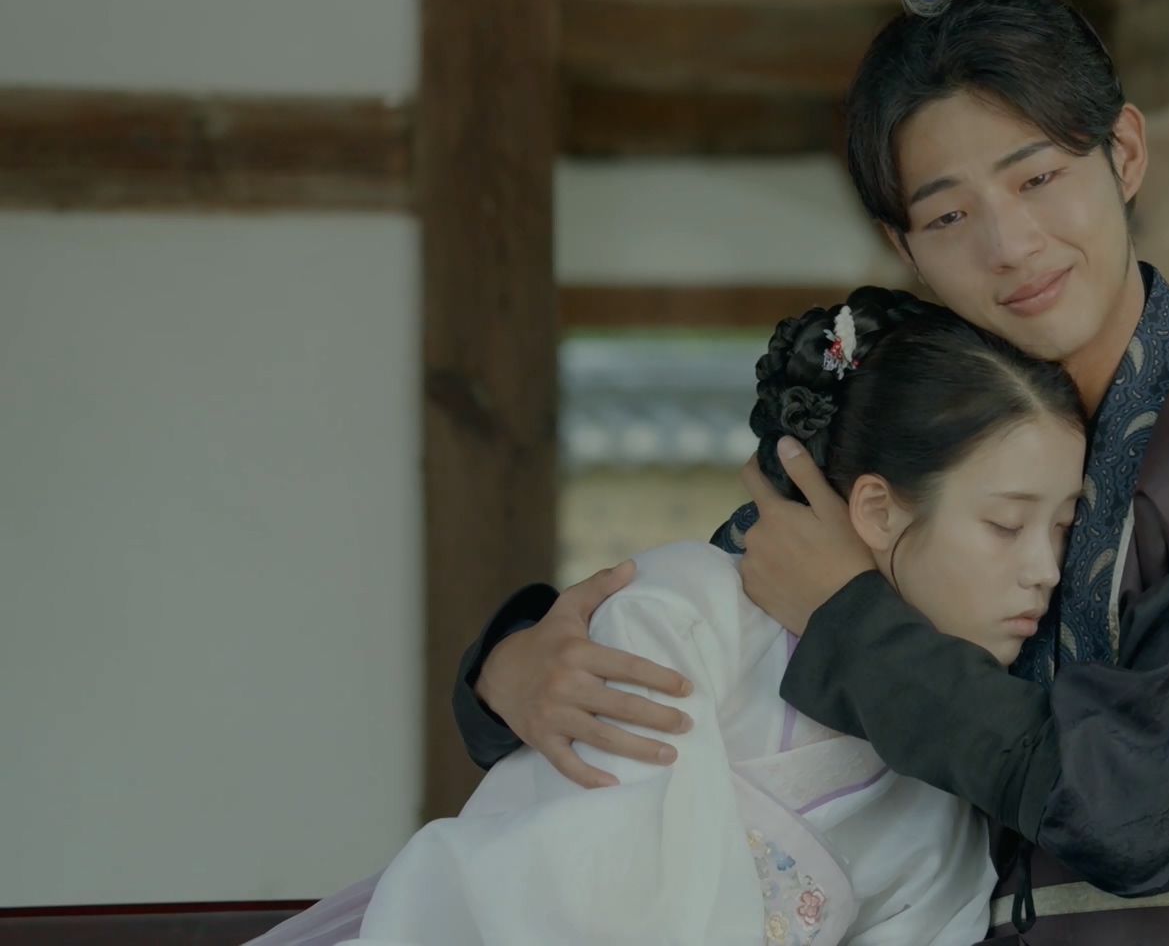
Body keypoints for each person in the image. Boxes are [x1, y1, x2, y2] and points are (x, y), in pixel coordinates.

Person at [456, 0, 1169, 944]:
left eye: (1037, 179)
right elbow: (731, 605)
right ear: (904, 247)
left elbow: (1151, 810)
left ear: (1125, 153)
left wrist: (849, 618)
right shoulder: (926, 430)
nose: (1010, 245)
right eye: (949, 217)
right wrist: (507, 673)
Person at [253, 291, 1087, 945]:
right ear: (876, 508)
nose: (1045, 569)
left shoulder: (943, 794)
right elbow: (598, 905)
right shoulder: (684, 611)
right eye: (1005, 524)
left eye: (1063, 528)